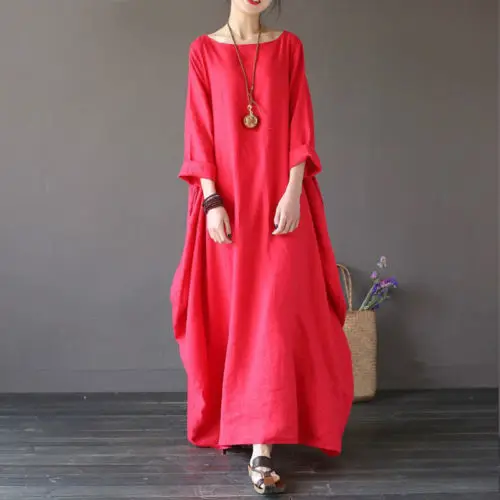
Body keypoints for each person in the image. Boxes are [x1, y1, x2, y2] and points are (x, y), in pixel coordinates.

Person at [170, 0, 354, 494]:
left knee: (271, 317)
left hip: (279, 203)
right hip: (228, 204)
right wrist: (211, 201)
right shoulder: (203, 51)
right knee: (234, 315)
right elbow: (199, 130)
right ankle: (242, 421)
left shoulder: (288, 48)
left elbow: (300, 124)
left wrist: (293, 193)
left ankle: (261, 449)